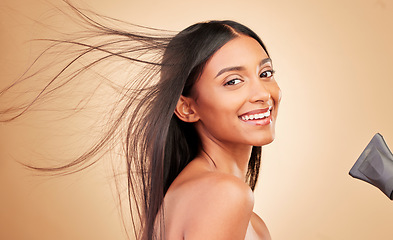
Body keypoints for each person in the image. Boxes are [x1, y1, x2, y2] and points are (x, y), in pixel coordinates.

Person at [1, 4, 281, 239]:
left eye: (265, 73)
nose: (261, 94)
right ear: (186, 108)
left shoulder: (201, 195)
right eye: (233, 81)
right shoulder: (225, 195)